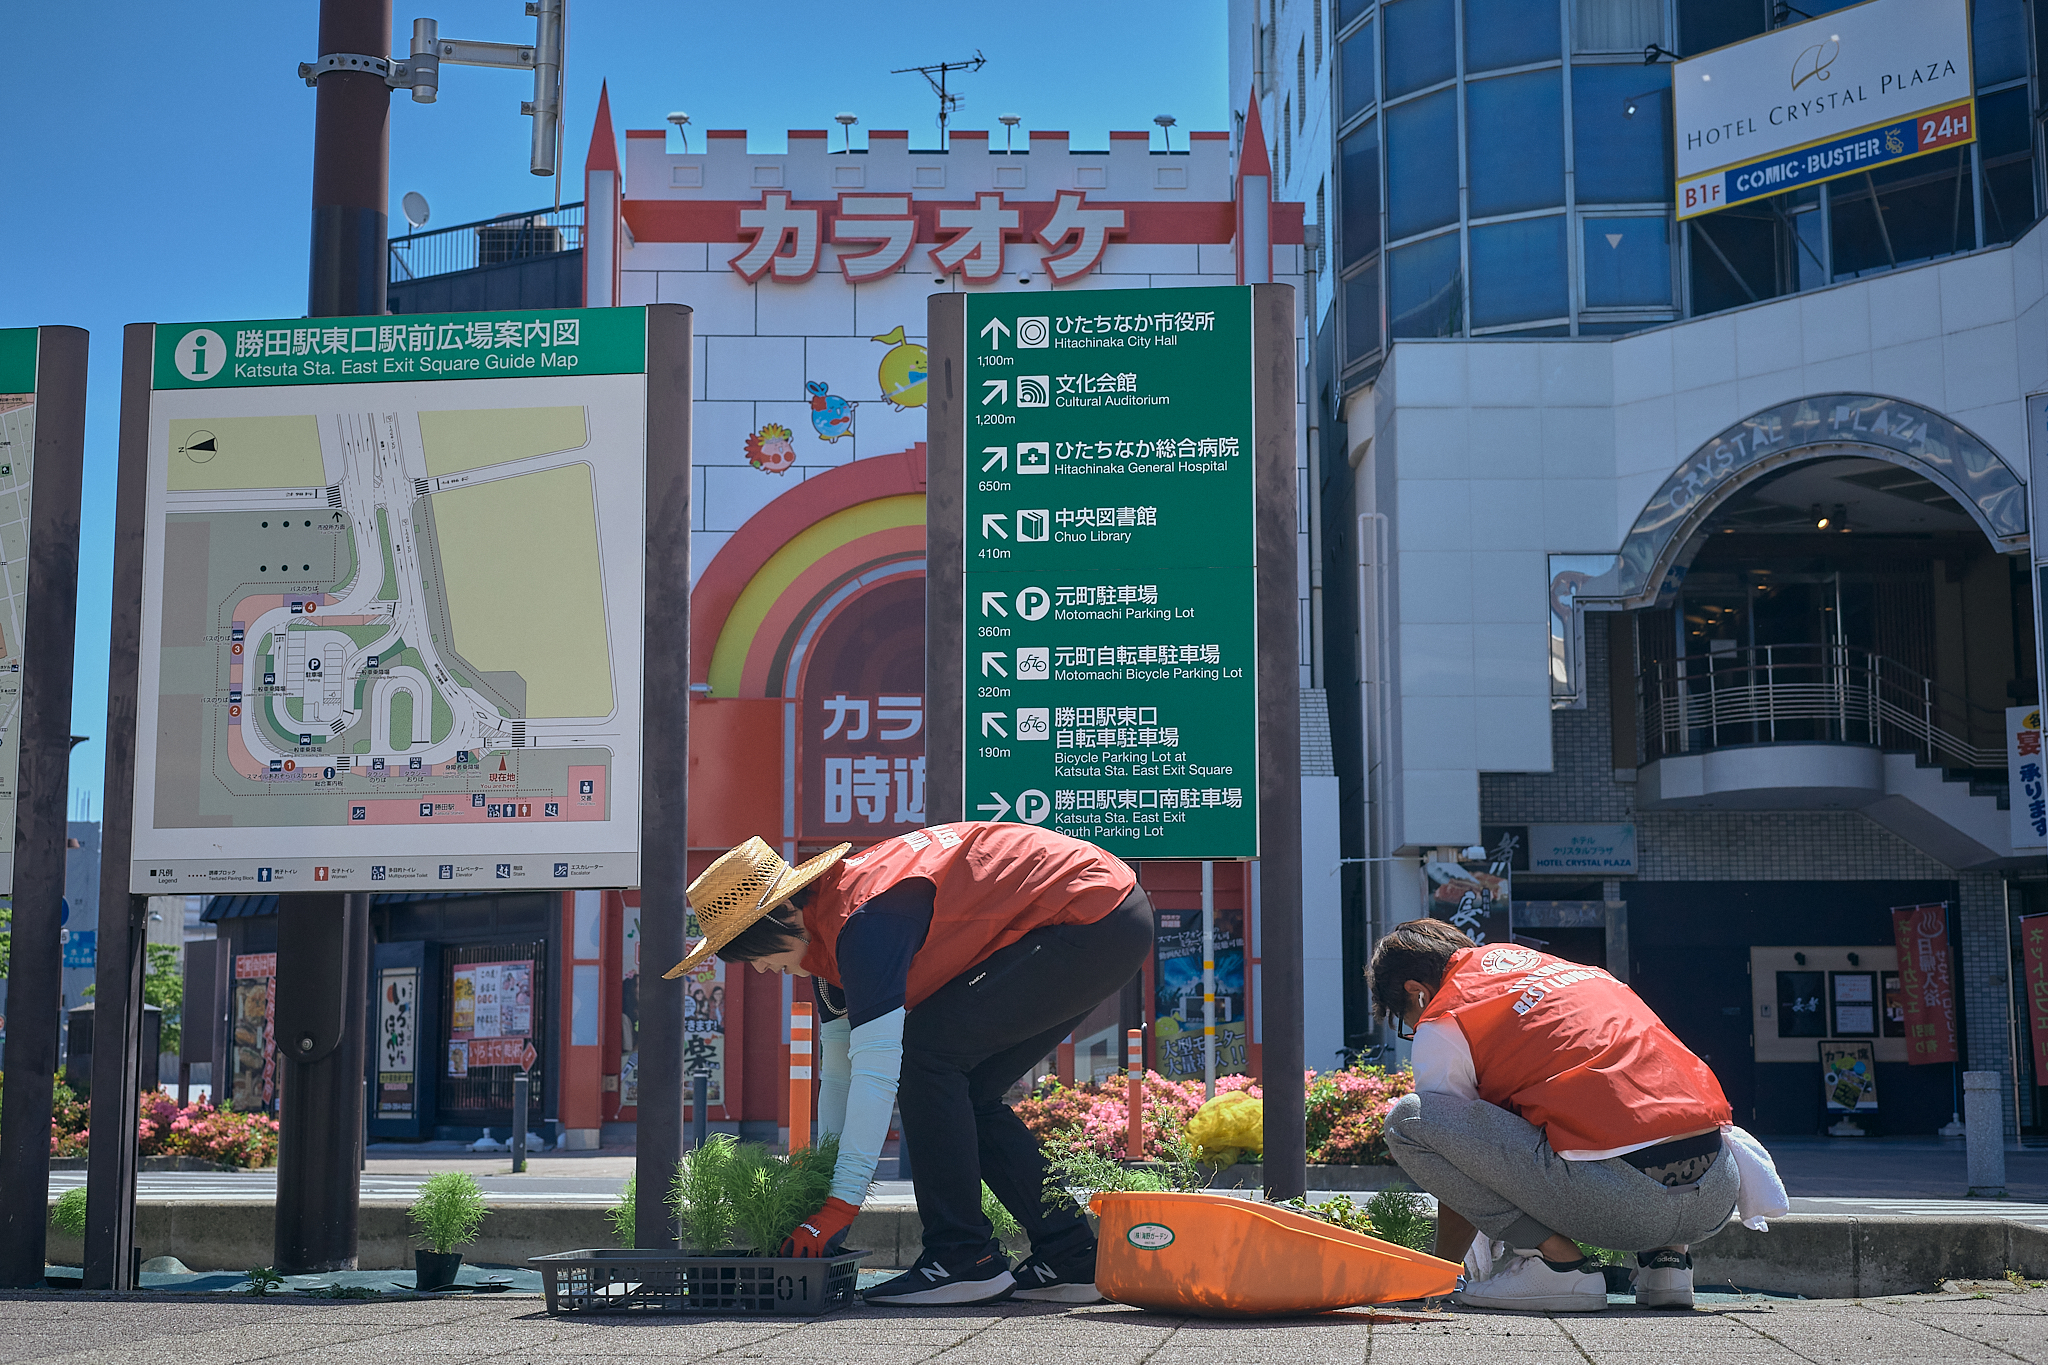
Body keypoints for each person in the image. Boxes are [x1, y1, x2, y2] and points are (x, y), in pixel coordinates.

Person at [666, 823, 1153, 1306]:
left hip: (1091, 914)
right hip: (1101, 916)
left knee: (924, 1056)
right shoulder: (826, 936)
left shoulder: (865, 921)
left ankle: (961, 1256)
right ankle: (1071, 1257)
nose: (759, 968)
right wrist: (821, 1189)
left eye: (753, 950)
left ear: (785, 912)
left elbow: (878, 1071)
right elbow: (839, 1074)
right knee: (965, 1089)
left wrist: (841, 1206)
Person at [1369, 918, 1784, 1313]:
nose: (1414, 1029)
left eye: (1406, 1020)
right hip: (1715, 1195)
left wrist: (1440, 1274)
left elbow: (1456, 1147)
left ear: (1416, 992)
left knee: (1409, 1121)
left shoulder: (1448, 1015)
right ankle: (1667, 1264)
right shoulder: (1580, 975)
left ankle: (1557, 1266)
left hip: (1624, 1205)